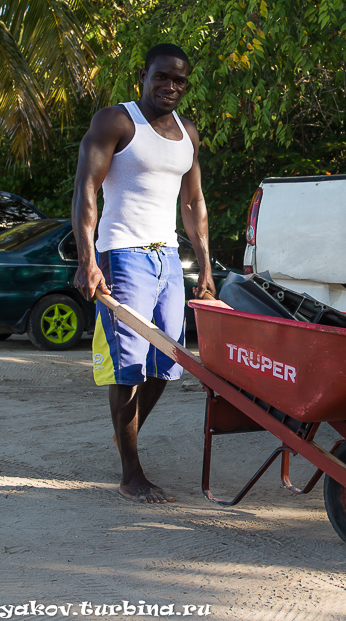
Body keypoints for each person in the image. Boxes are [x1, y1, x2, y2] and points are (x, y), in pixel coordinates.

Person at [72, 43, 216, 504]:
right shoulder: (116, 121)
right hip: (123, 254)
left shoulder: (187, 133)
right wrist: (87, 260)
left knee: (168, 360)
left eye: (180, 81)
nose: (171, 86)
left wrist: (206, 268)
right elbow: (86, 190)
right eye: (162, 77)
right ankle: (130, 473)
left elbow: (193, 204)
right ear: (144, 75)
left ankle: (125, 434)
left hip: (168, 258)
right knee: (129, 365)